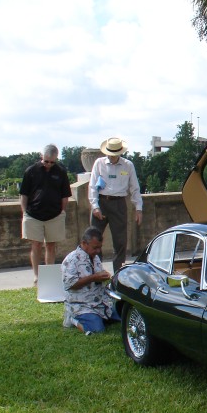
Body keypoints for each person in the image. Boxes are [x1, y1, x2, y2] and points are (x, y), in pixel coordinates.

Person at [88, 137, 143, 272]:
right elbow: (92, 186)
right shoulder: (99, 163)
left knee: (120, 242)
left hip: (119, 203)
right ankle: (96, 271)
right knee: (94, 239)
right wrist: (95, 206)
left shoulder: (128, 165)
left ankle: (118, 274)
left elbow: (134, 188)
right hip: (102, 202)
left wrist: (138, 208)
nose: (111, 157)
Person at [19, 144, 72, 284]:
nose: (49, 164)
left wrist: (62, 211)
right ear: (41, 157)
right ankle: (37, 276)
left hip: (54, 215)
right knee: (35, 245)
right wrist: (24, 212)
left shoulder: (61, 172)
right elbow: (23, 194)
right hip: (33, 214)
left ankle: (49, 276)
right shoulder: (30, 171)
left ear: (56, 159)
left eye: (52, 162)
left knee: (51, 245)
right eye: (46, 161)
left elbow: (65, 195)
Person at [62, 226, 120, 335]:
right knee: (97, 330)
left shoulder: (95, 257)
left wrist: (104, 275)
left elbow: (98, 274)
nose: (98, 251)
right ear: (84, 243)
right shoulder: (71, 260)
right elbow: (70, 284)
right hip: (82, 305)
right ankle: (73, 319)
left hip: (100, 303)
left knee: (122, 316)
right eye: (95, 248)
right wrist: (94, 278)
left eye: (100, 247)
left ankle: (97, 318)